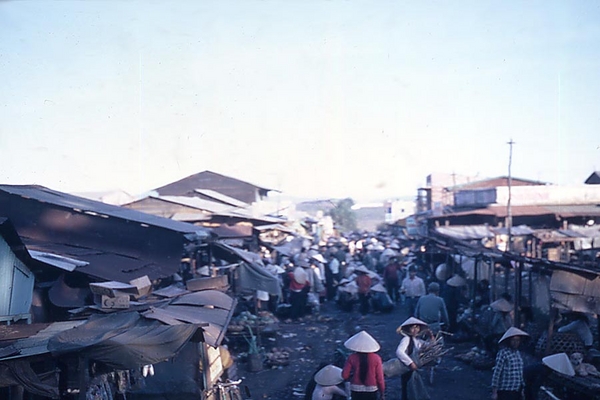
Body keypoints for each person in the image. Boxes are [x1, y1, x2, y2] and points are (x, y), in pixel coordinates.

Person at [341, 330, 385, 400]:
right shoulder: (376, 358)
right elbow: (380, 378)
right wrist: (382, 392)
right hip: (372, 389)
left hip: (356, 389)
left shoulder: (352, 357)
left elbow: (344, 375)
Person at [491, 327, 530, 400]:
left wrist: (522, 389)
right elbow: (497, 373)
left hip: (516, 390)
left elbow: (519, 373)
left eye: (517, 340)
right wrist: (494, 392)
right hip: (505, 390)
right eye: (513, 340)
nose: (515, 342)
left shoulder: (518, 354)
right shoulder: (503, 353)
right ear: (509, 341)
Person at [395, 317, 429, 400]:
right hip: (406, 368)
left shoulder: (416, 340)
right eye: (412, 327)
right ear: (408, 329)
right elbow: (399, 352)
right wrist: (410, 363)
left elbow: (427, 346)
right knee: (407, 389)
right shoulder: (406, 339)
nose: (415, 330)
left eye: (417, 327)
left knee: (414, 388)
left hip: (413, 369)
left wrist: (431, 336)